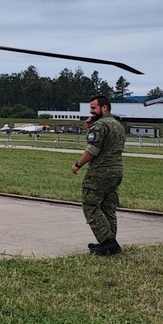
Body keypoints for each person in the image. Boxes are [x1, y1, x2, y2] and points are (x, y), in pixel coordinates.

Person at [71, 94, 126, 256]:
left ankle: (109, 242)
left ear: (104, 108)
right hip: (116, 171)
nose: (91, 111)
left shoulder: (100, 126)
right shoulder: (118, 125)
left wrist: (77, 165)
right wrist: (89, 127)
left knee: (90, 205)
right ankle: (107, 244)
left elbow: (92, 150)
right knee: (108, 207)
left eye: (94, 108)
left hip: (100, 172)